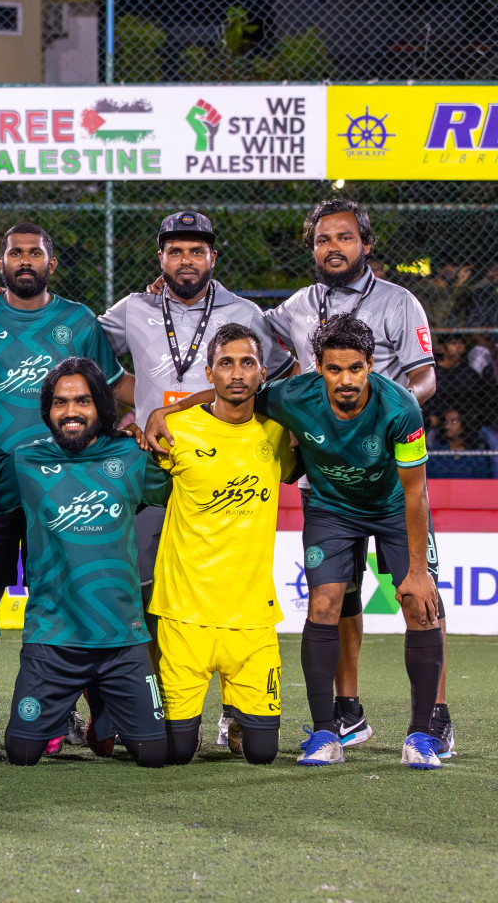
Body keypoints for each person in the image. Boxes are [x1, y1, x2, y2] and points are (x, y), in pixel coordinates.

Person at [146, 314, 446, 770]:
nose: (345, 380)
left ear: (371, 365)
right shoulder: (294, 394)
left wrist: (419, 572)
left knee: (420, 603)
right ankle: (327, 733)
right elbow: (234, 389)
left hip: (390, 508)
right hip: (331, 507)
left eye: (355, 369)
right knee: (324, 603)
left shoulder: (401, 407)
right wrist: (165, 410)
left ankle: (422, 735)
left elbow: (416, 492)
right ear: (318, 368)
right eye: (333, 369)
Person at [100, 210, 294, 747]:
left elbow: (266, 379)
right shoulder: (132, 309)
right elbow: (93, 359)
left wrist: (183, 405)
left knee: (225, 592)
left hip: (219, 464)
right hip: (157, 466)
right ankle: (136, 706)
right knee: (139, 595)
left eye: (197, 251)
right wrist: (134, 407)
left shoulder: (246, 313)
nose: (186, 260)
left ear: (214, 256)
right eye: (175, 251)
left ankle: (237, 714)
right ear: (160, 257)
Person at [261, 199, 444, 755]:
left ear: (364, 243)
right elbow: (243, 341)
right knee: (335, 601)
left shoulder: (399, 300)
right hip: (329, 489)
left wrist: (373, 418)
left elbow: (425, 379)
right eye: (322, 240)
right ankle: (345, 712)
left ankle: (433, 719)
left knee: (421, 593)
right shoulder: (294, 307)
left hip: (390, 476)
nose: (333, 248)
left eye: (344, 238)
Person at [0, 358, 171, 768]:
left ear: (102, 407)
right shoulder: (23, 462)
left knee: (155, 755)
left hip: (121, 638)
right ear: (47, 410)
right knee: (21, 754)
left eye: (83, 401)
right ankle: (78, 708)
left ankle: (102, 710)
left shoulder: (133, 455)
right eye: (60, 402)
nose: (71, 411)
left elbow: (180, 494)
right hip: (52, 636)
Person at [0, 223, 124, 607]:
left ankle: (51, 670)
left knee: (61, 599)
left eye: (34, 253)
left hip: (63, 484)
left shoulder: (79, 321)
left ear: (52, 263)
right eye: (16, 253)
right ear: (1, 263)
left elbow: (112, 387)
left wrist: (172, 403)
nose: (25, 260)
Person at [148, 323, 296, 766]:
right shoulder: (174, 431)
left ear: (262, 373)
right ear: (210, 372)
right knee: (175, 752)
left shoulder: (278, 433)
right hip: (184, 615)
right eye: (226, 363)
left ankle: (236, 714)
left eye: (246, 363)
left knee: (263, 754)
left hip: (251, 619)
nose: (236, 373)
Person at [427, 409, 491, 479]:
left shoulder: (476, 454)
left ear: (464, 424)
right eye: (446, 422)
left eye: (453, 422)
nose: (447, 426)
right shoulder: (436, 453)